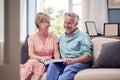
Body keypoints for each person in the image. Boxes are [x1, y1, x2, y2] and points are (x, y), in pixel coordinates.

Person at [46, 12, 93, 80]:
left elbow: (88, 56)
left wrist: (74, 60)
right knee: (52, 66)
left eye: (69, 23)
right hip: (63, 63)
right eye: (65, 22)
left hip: (78, 62)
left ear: (76, 24)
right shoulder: (61, 38)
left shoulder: (84, 37)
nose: (66, 25)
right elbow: (55, 51)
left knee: (69, 68)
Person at [20, 12, 60, 80]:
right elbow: (31, 55)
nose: (49, 25)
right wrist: (41, 58)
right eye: (47, 22)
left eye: (49, 22)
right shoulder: (32, 38)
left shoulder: (54, 37)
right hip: (35, 62)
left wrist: (57, 61)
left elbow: (56, 52)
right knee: (34, 63)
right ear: (39, 23)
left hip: (47, 64)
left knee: (40, 66)